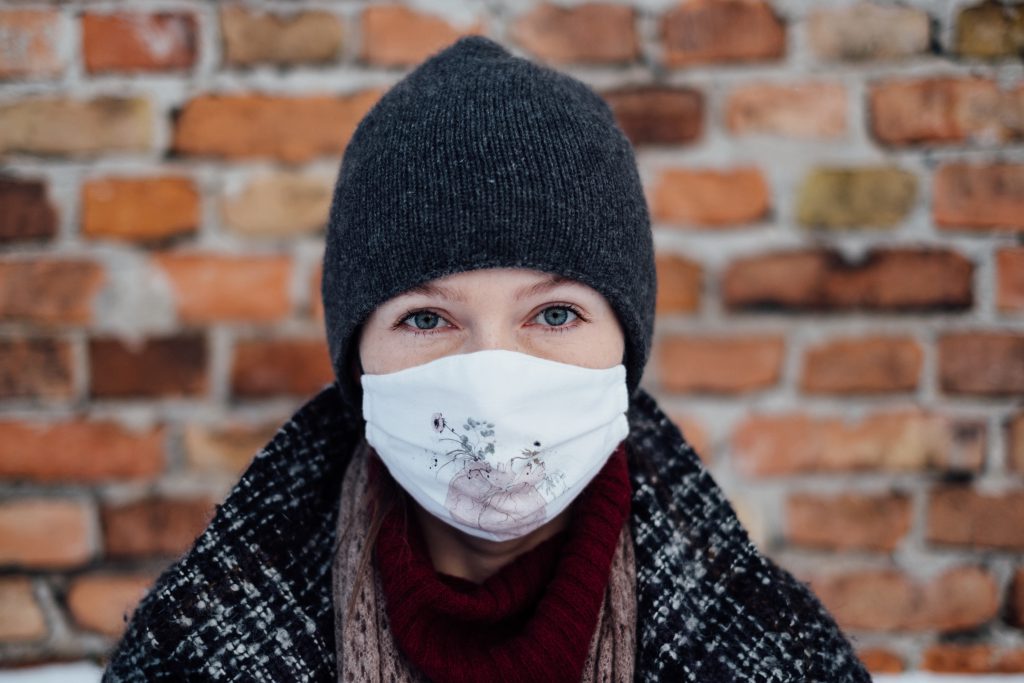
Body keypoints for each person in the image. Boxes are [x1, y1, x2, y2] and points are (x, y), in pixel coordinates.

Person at [102, 35, 871, 682]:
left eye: (556, 313)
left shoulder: (777, 652)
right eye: (428, 318)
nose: (493, 380)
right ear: (358, 359)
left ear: (624, 347)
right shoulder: (193, 651)